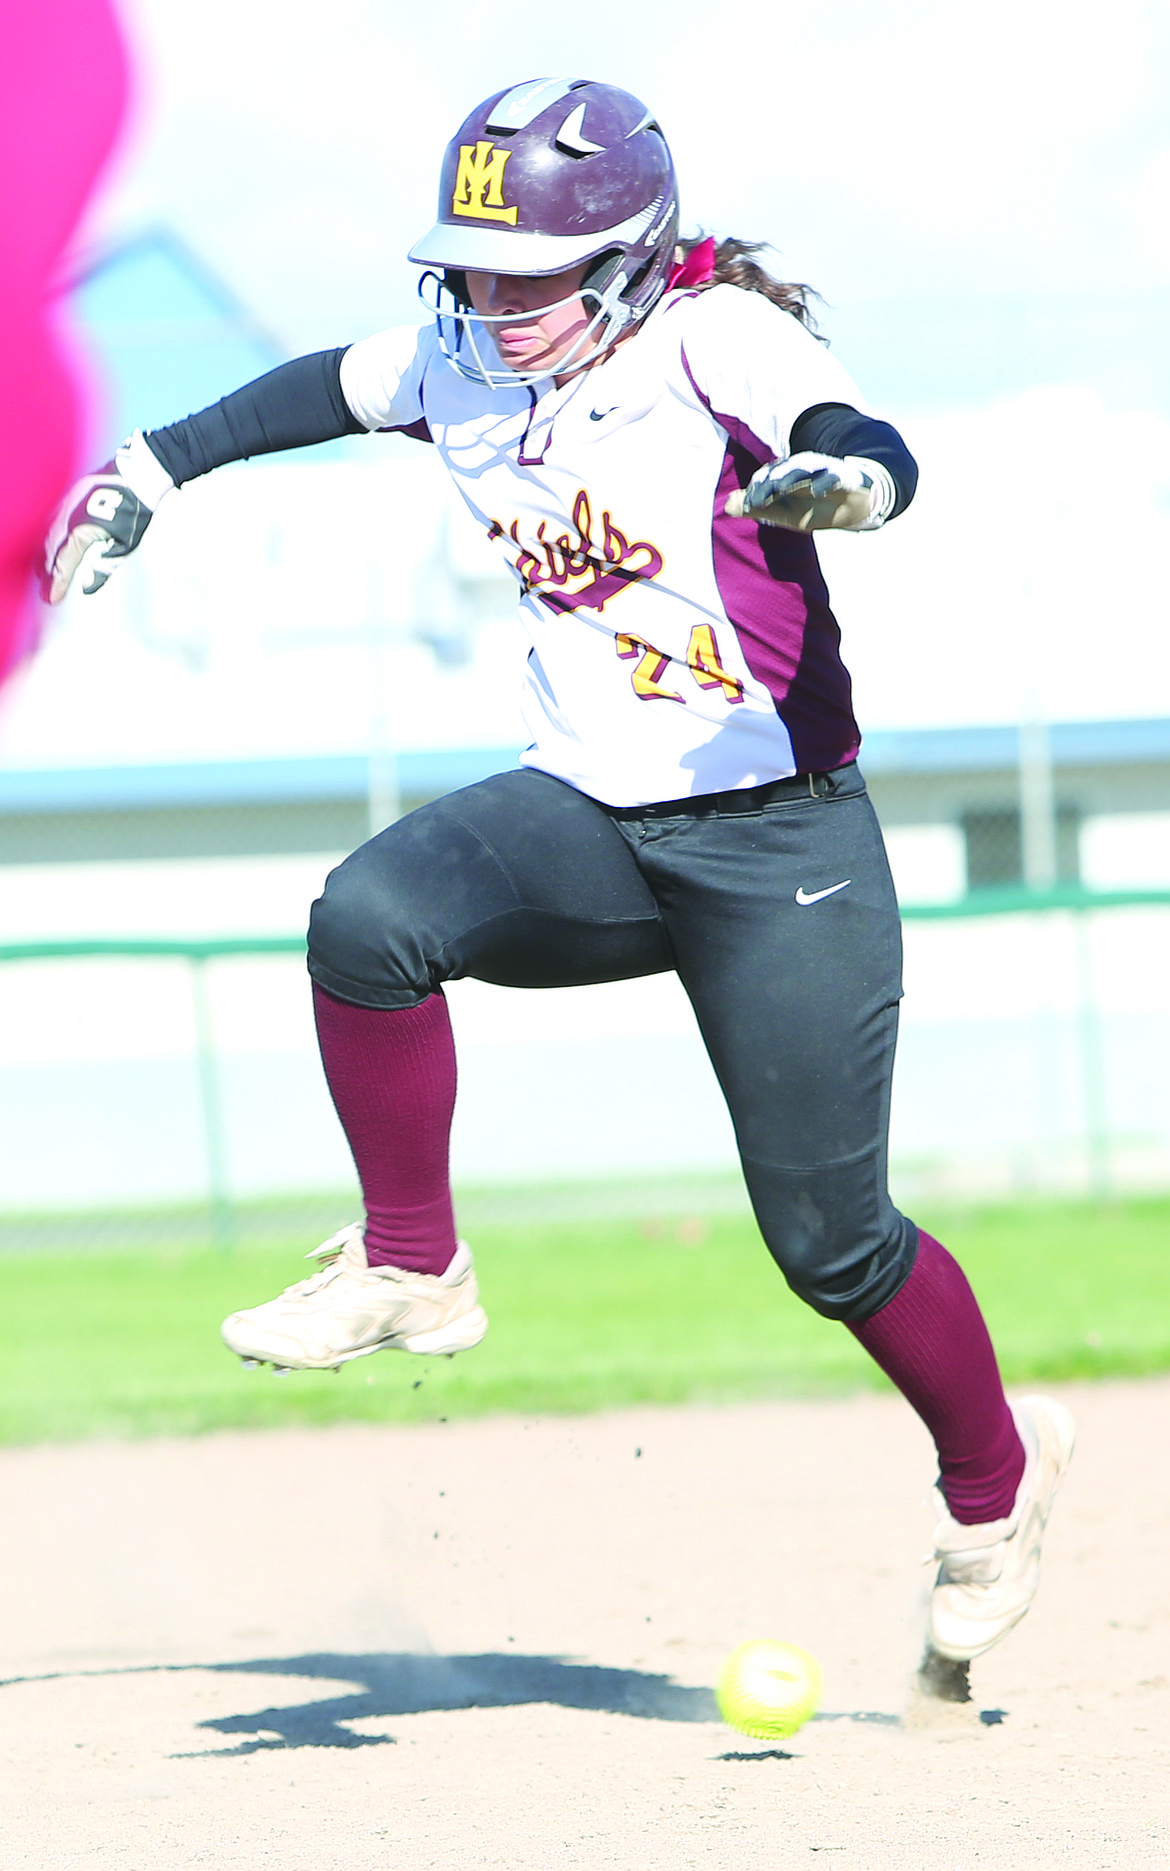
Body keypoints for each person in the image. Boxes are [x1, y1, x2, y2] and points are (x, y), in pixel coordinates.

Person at [44, 75, 1074, 1672]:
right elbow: (299, 392)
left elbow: (855, 434)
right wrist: (142, 475)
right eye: (466, 264)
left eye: (526, 271)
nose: (489, 300)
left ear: (625, 258)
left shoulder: (709, 335)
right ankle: (411, 1262)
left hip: (774, 836)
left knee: (830, 1245)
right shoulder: (457, 349)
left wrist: (849, 487)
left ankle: (997, 1489)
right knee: (365, 919)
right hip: (589, 813)